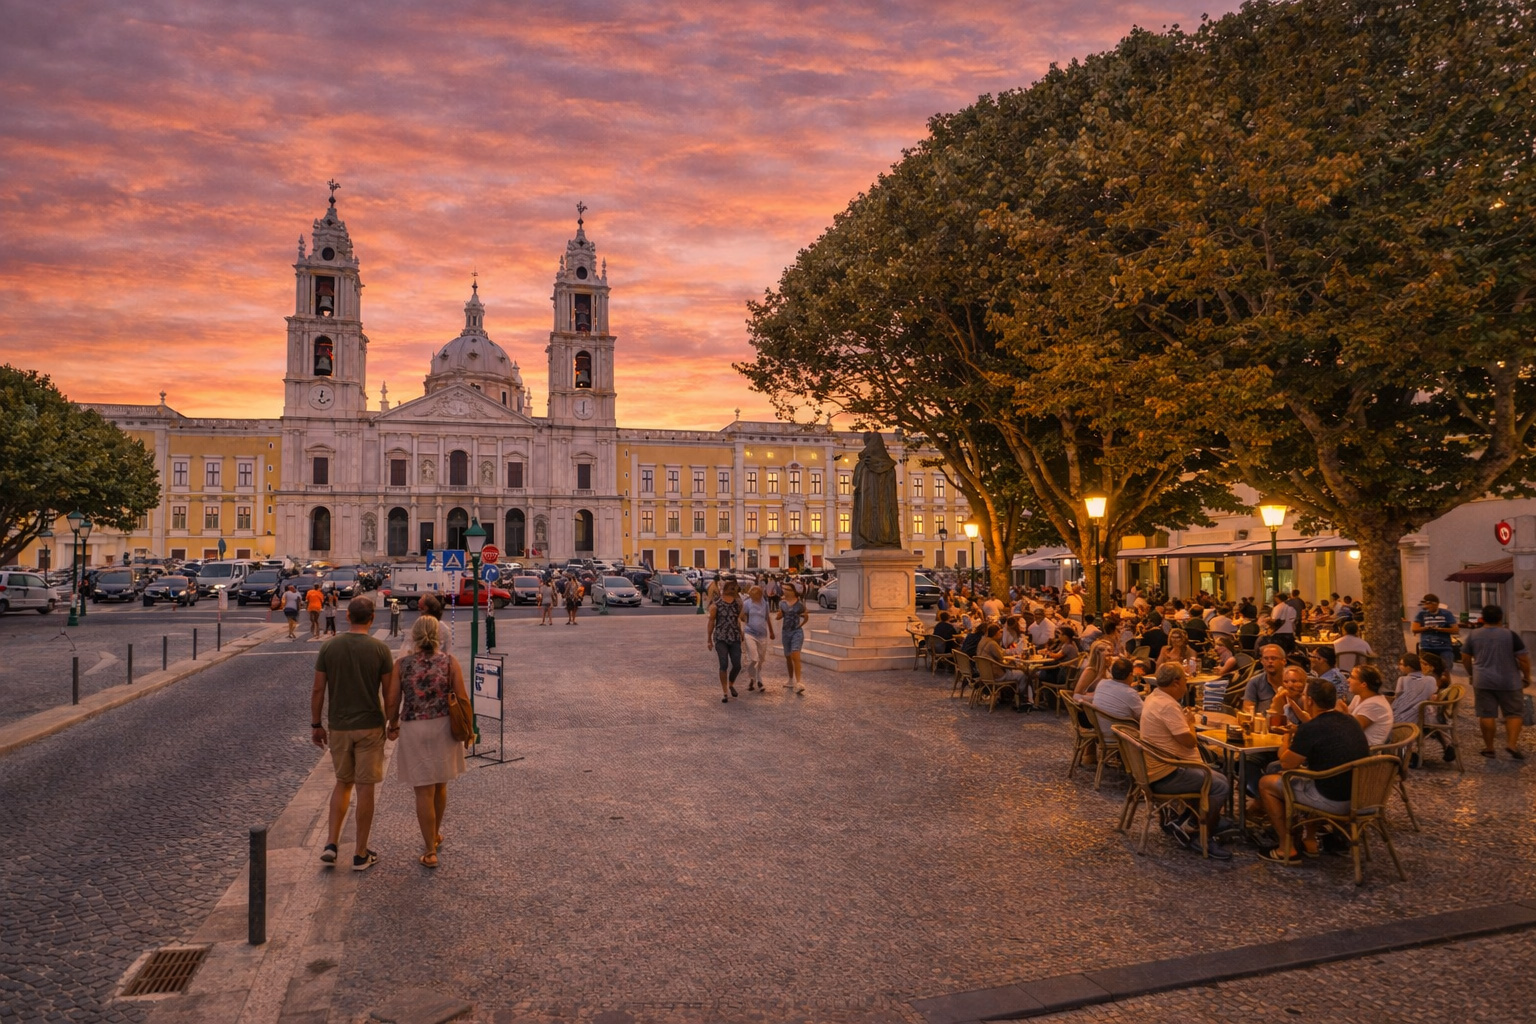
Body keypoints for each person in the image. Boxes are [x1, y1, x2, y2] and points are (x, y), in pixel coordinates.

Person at [310, 597, 397, 872]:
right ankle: (360, 853)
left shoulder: (329, 646)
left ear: (347, 616)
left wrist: (316, 724)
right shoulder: (380, 649)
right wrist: (393, 722)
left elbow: (318, 690)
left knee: (342, 783)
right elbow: (389, 692)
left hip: (339, 726)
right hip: (370, 726)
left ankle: (331, 844)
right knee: (365, 788)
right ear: (372, 618)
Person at [1256, 677, 1370, 865]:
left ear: (1309, 700)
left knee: (1267, 783)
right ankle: (1309, 839)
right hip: (1361, 797)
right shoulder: (1350, 721)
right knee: (1312, 777)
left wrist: (1286, 735)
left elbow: (1286, 763)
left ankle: (1286, 847)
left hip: (1332, 800)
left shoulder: (1311, 729)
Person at [386, 615, 468, 869]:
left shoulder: (402, 664)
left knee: (423, 789)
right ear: (438, 636)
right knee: (440, 784)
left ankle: (430, 850)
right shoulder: (450, 662)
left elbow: (392, 700)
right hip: (443, 726)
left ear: (414, 635)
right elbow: (463, 699)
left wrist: (392, 723)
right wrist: (468, 729)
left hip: (414, 727)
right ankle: (434, 834)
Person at [1137, 664, 1232, 859]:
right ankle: (1201, 834)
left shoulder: (1154, 697)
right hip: (1166, 774)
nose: (1186, 685)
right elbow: (1189, 742)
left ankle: (1189, 820)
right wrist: (1189, 722)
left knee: (1212, 774)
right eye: (1186, 681)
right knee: (1220, 784)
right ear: (1176, 682)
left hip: (1155, 768)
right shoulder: (1168, 705)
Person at [1461, 603, 1531, 759]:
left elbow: (1465, 657)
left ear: (1483, 618)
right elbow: (1524, 659)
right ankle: (1511, 745)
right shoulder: (1510, 635)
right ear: (1501, 618)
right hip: (1509, 681)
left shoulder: (1473, 635)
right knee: (1514, 714)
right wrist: (1527, 677)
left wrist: (1472, 673)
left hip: (1483, 680)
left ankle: (1490, 748)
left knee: (1487, 714)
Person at [708, 578, 746, 703]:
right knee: (723, 664)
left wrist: (741, 632)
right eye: (733, 588)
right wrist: (709, 639)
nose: (735, 590)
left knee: (737, 664)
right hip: (721, 637)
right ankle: (725, 692)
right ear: (726, 589)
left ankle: (731, 684)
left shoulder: (738, 603)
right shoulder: (717, 604)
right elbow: (711, 621)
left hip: (734, 636)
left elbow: (740, 619)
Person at [1345, 665, 1394, 746]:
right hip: (1352, 744)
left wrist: (1341, 710)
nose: (1348, 680)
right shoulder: (1358, 697)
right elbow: (1347, 716)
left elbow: (1351, 730)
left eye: (1352, 677)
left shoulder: (1375, 705)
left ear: (1363, 684)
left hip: (1365, 752)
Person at [741, 583, 775, 692]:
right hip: (750, 633)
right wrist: (747, 622)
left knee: (761, 659)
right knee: (754, 658)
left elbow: (767, 618)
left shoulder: (765, 603)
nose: (757, 597)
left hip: (762, 634)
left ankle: (752, 678)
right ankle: (759, 681)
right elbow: (741, 616)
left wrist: (771, 631)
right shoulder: (747, 603)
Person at [1412, 593, 1460, 672]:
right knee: (1427, 671)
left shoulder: (1446, 614)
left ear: (1436, 604)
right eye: (1425, 605)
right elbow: (1415, 629)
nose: (1427, 607)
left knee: (1445, 670)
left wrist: (1440, 629)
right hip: (1427, 647)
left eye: (1429, 604)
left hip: (1444, 647)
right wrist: (1426, 628)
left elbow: (1455, 629)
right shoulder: (1421, 614)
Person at [777, 582, 809, 695]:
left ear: (792, 591)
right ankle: (791, 680)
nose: (784, 591)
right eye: (783, 588)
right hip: (786, 632)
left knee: (795, 655)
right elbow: (779, 615)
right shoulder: (782, 603)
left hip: (796, 632)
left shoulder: (799, 604)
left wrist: (801, 625)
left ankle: (799, 682)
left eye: (786, 589)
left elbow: (806, 616)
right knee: (788, 656)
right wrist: (779, 615)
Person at [1392, 652, 1440, 726]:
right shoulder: (1431, 679)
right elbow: (1431, 695)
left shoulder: (1402, 679)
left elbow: (1397, 696)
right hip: (1424, 714)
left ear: (1408, 667)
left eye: (1401, 664)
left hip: (1404, 715)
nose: (1399, 666)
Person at [1243, 644, 1287, 714]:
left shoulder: (1294, 680)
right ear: (1262, 661)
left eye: (1273, 658)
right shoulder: (1254, 682)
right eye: (1266, 658)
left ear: (1283, 661)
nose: (1270, 661)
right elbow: (1248, 710)